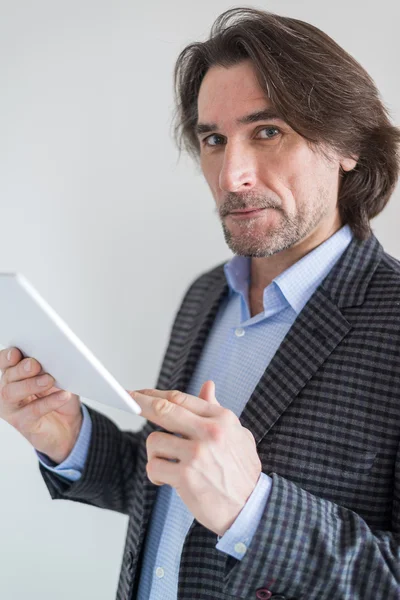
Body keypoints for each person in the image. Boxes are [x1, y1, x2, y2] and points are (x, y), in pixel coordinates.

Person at [1, 7, 400, 599]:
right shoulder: (207, 295)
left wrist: (253, 509)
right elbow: (167, 483)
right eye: (214, 139)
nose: (231, 174)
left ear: (348, 146)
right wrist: (71, 437)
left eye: (268, 132)